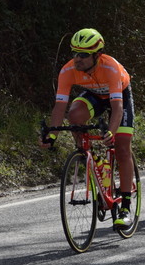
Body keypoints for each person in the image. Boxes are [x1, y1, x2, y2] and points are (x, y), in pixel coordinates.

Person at [41, 28, 136, 228]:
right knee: (74, 115)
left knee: (121, 146)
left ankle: (126, 207)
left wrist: (110, 132)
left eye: (83, 55)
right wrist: (52, 135)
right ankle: (90, 158)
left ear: (97, 55)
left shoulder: (110, 68)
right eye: (75, 53)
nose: (78, 59)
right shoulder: (68, 71)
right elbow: (60, 107)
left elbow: (117, 107)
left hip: (119, 96)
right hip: (94, 96)